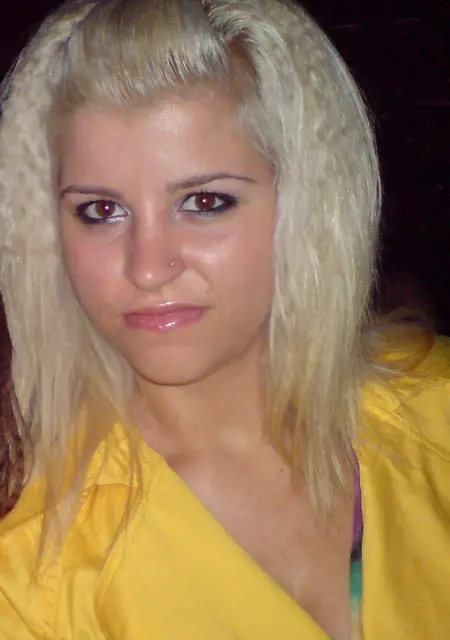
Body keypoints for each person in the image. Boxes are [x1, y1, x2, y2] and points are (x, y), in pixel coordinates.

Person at [0, 1, 449, 638]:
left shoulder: (437, 412)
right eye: (101, 211)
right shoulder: (32, 575)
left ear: (307, 204)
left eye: (205, 201)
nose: (148, 268)